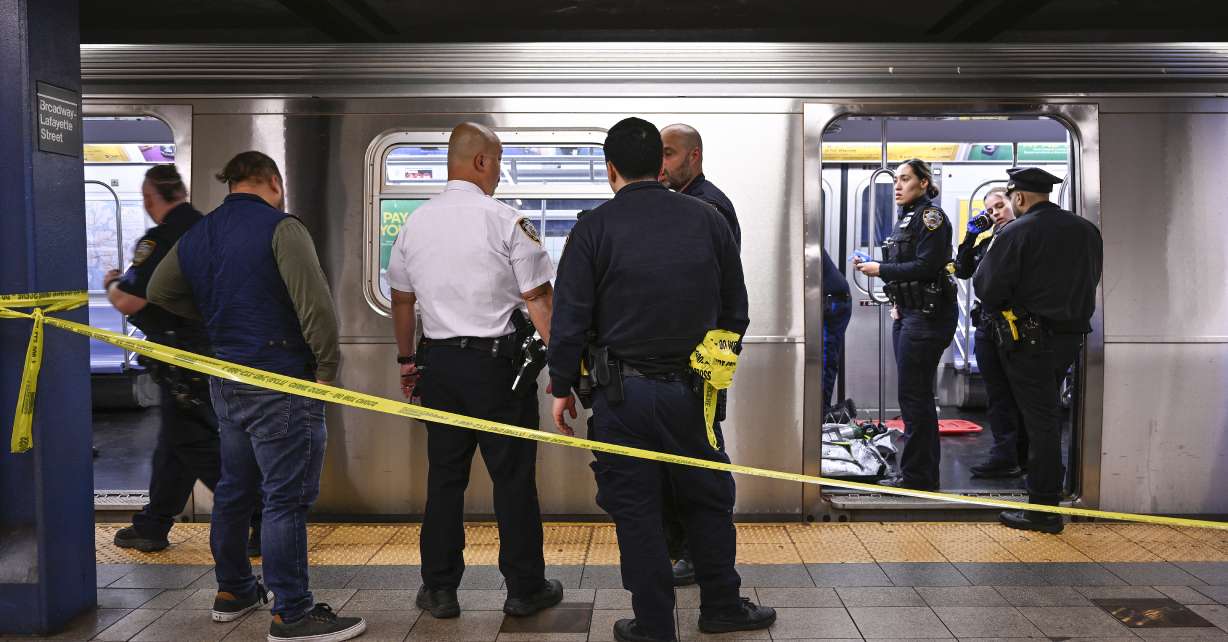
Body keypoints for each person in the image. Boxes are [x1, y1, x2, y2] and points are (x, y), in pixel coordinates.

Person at [549, 118, 775, 642]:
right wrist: (710, 369)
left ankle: (654, 625)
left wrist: (562, 387)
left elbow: (569, 320)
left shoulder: (592, 228)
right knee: (706, 497)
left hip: (620, 397)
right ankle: (720, 605)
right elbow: (735, 312)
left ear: (611, 171)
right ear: (660, 165)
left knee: (636, 508)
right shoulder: (709, 220)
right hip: (695, 394)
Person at [147, 152, 365, 642]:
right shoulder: (282, 228)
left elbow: (160, 290)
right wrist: (326, 372)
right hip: (281, 379)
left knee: (234, 489)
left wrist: (217, 315)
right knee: (285, 499)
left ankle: (235, 590)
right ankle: (293, 612)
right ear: (273, 181)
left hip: (226, 377)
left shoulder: (199, 232)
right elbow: (316, 307)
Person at [386, 123, 563, 620]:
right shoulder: (505, 221)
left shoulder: (414, 224)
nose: (500, 172)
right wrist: (566, 372)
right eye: (499, 160)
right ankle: (525, 588)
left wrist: (407, 362)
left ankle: (439, 589)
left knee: (444, 478)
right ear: (482, 162)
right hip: (497, 368)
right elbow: (540, 301)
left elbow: (403, 301)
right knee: (512, 478)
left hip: (438, 365)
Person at [103, 164, 266, 555]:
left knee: (194, 442)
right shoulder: (211, 228)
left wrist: (110, 283)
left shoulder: (160, 240)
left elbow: (130, 299)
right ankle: (154, 523)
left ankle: (260, 516)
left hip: (182, 358)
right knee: (177, 440)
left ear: (149, 197)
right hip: (218, 349)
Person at [973, 167, 1102, 534]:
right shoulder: (1086, 230)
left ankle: (1043, 508)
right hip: (1069, 338)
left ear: (1019, 197)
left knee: (1040, 420)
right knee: (1046, 414)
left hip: (1029, 342)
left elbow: (987, 288)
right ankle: (1049, 489)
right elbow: (1092, 278)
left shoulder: (1016, 231)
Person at [657, 123, 741, 586]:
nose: (662, 163)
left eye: (669, 153)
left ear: (695, 155)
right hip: (691, 356)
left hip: (702, 357)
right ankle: (682, 547)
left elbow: (709, 289)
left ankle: (699, 554)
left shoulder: (706, 206)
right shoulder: (684, 202)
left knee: (700, 457)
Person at [854, 158, 957, 491]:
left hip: (927, 318)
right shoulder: (907, 220)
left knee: (915, 398)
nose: (897, 186)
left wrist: (879, 270)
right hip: (910, 314)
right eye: (896, 180)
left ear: (924, 183)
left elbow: (927, 267)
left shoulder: (931, 219)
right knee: (912, 396)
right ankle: (917, 472)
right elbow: (907, 266)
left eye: (905, 179)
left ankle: (919, 478)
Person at [954, 186, 1025, 480]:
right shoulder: (988, 242)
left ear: (1015, 204)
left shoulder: (1022, 237)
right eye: (991, 210)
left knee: (1016, 393)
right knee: (997, 394)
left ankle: (1018, 455)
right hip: (987, 326)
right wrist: (970, 237)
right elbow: (961, 270)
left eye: (1000, 206)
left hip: (1013, 326)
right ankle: (1004, 453)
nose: (996, 213)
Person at [820, 248, 852, 412]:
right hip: (831, 300)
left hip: (833, 303)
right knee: (824, 360)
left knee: (825, 361)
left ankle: (821, 413)